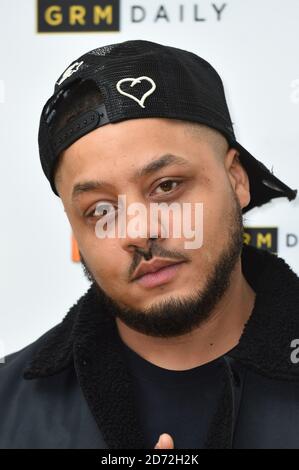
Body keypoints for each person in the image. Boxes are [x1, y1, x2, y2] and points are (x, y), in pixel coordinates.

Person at [0, 40, 298, 449]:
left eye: (167, 186)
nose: (139, 232)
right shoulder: (8, 406)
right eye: (100, 210)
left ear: (236, 179)